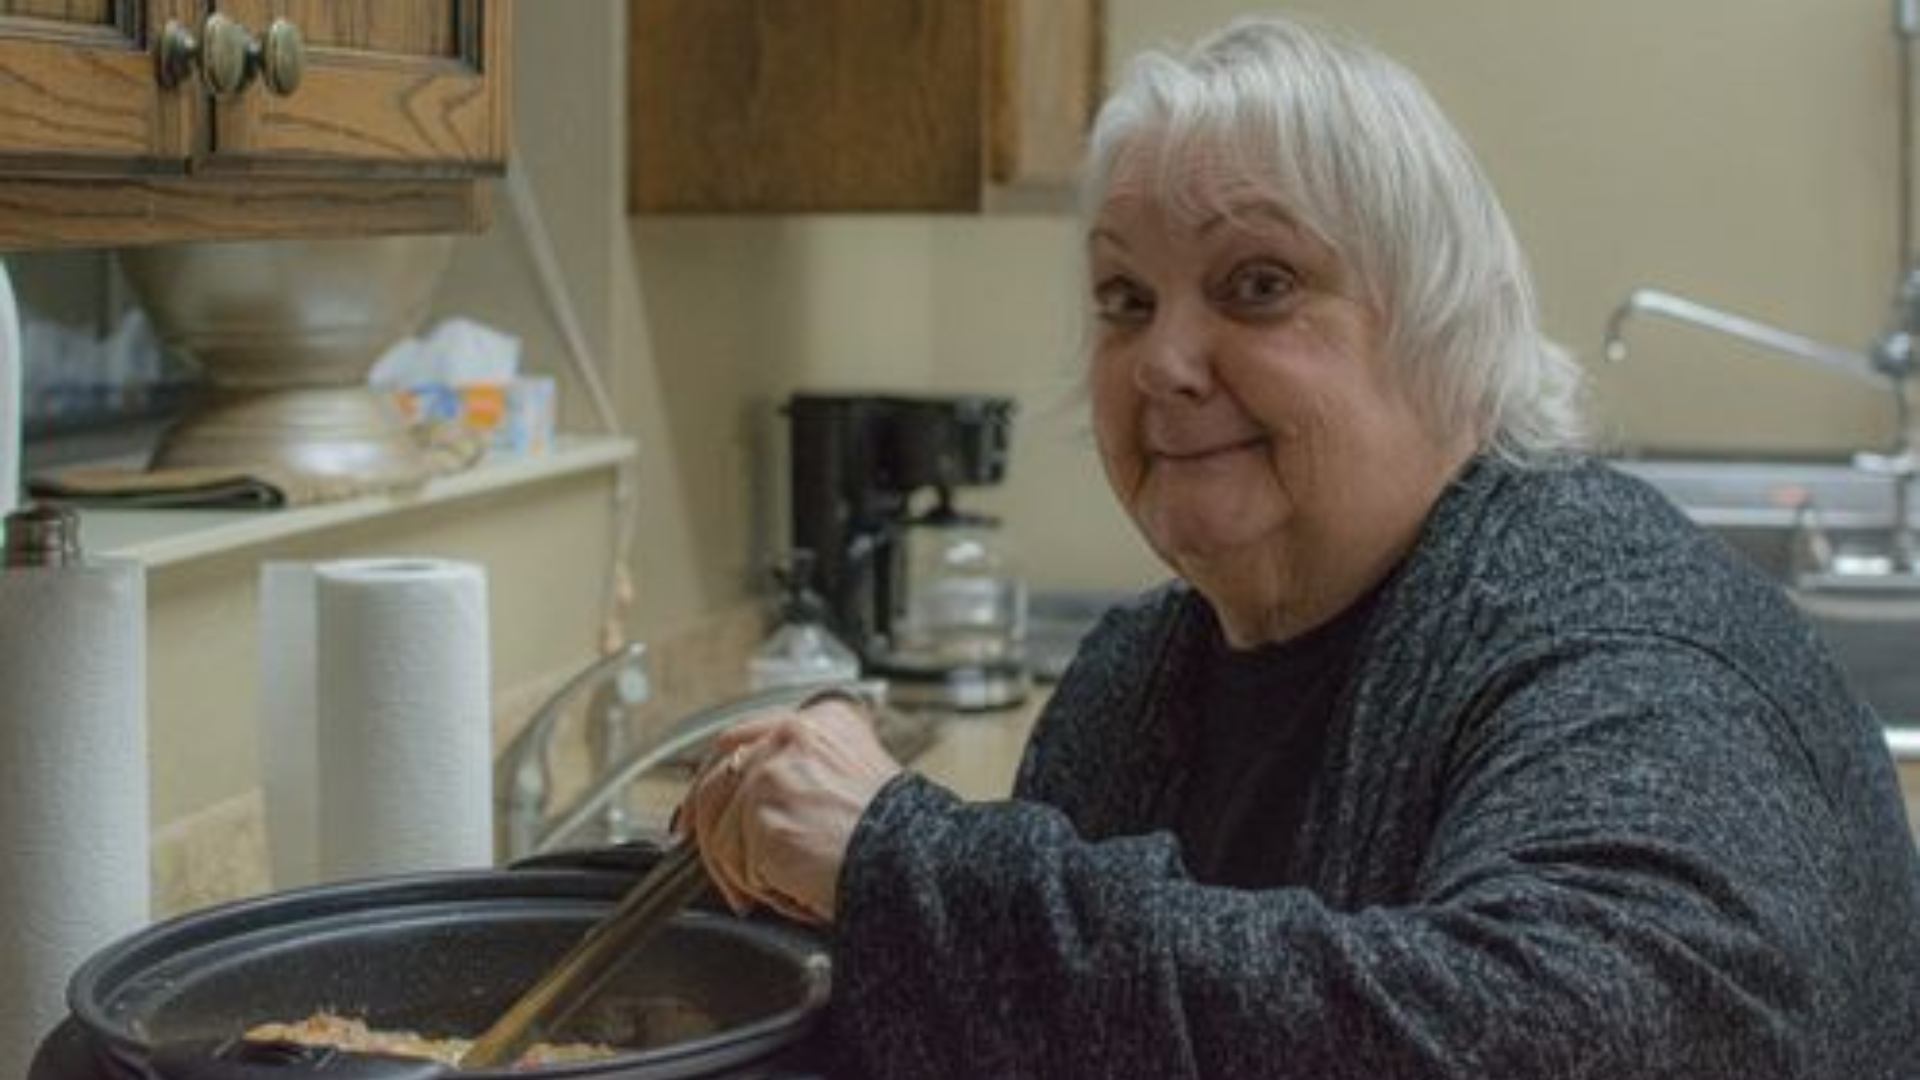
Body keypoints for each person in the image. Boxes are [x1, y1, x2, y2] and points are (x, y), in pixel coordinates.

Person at [680, 15, 1920, 1079]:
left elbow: (1576, 1037)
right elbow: (1058, 1023)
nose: (1162, 362)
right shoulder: (1129, 691)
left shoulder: (1620, 636)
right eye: (1125, 299)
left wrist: (907, 864)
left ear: (1444, 331)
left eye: (1258, 285)